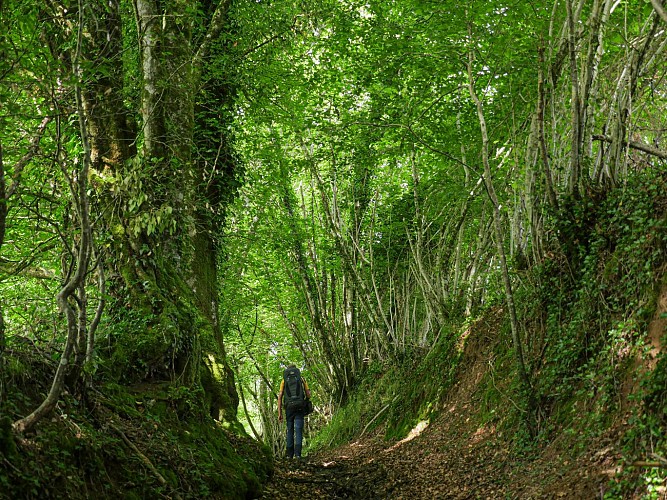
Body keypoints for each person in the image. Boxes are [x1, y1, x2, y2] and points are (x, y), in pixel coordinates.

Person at [277, 365, 311, 459]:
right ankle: (298, 455)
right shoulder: (301, 379)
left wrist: (279, 413)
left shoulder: (284, 381)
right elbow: (308, 395)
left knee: (290, 430)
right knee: (298, 430)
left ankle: (289, 455)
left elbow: (280, 397)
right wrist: (305, 399)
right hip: (300, 406)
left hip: (289, 408)